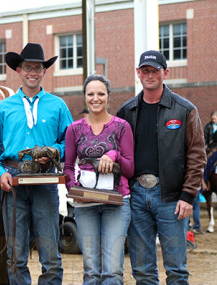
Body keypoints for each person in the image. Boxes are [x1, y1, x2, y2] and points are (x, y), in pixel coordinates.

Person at [0, 43, 73, 285]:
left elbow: (71, 143)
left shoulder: (58, 106)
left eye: (37, 68)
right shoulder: (3, 108)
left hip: (46, 179)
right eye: (28, 68)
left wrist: (56, 152)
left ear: (44, 71)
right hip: (12, 180)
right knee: (15, 255)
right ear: (19, 70)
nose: (32, 72)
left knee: (50, 254)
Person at [117, 50, 206, 284]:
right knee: (143, 271)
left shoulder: (185, 110)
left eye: (154, 70)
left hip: (172, 199)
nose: (149, 75)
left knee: (176, 269)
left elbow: (197, 155)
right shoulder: (126, 112)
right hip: (136, 197)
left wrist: (188, 195)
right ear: (138, 73)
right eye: (144, 70)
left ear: (165, 73)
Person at [64, 74, 134, 284]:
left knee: (112, 270)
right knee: (92, 270)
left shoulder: (122, 126)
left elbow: (130, 169)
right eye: (91, 94)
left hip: (117, 203)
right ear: (85, 96)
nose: (96, 98)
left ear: (108, 96)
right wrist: (74, 190)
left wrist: (114, 155)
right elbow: (68, 167)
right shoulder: (74, 129)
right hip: (86, 206)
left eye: (101, 94)